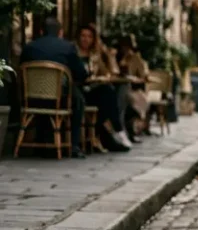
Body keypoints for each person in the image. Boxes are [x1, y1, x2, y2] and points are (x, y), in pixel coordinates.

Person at [19, 17, 90, 158]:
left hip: (31, 99)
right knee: (78, 100)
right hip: (58, 100)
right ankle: (74, 145)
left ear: (40, 31)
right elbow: (82, 74)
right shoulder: (68, 47)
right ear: (60, 33)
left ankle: (39, 141)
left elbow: (21, 70)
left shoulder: (29, 47)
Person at [76, 24, 130, 152]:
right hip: (78, 92)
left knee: (107, 93)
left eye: (89, 36)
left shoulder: (95, 55)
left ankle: (107, 136)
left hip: (92, 91)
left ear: (93, 39)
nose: (86, 39)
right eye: (83, 35)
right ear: (78, 37)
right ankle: (116, 132)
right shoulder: (73, 52)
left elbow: (110, 73)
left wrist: (107, 53)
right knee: (107, 95)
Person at [116, 35, 151, 139]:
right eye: (124, 47)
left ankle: (128, 129)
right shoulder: (116, 57)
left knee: (130, 98)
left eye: (128, 47)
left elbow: (143, 76)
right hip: (119, 86)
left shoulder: (136, 58)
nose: (126, 49)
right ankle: (121, 128)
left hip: (133, 88)